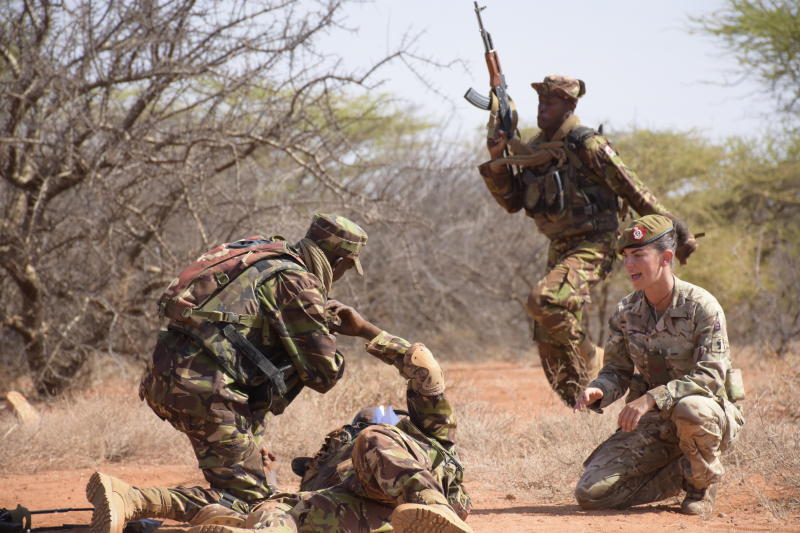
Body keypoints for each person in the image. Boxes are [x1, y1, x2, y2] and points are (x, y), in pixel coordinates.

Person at [87, 214, 370, 533]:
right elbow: (324, 374)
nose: (344, 274)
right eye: (347, 267)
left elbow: (251, 360)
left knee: (243, 487)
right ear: (341, 259)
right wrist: (357, 329)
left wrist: (252, 438)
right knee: (253, 503)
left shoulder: (262, 258)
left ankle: (149, 509)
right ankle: (134, 499)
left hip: (167, 381)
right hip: (207, 391)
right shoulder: (298, 281)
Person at [478, 74, 697, 407]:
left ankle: (596, 360)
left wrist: (677, 233)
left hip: (597, 242)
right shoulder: (536, 149)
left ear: (569, 105)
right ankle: (580, 403)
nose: (542, 109)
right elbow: (512, 201)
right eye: (539, 102)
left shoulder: (587, 144)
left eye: (550, 103)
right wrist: (496, 155)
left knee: (545, 301)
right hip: (561, 246)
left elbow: (633, 189)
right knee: (546, 332)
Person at [573, 215, 744, 515]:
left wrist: (651, 398)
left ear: (666, 257)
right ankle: (683, 470)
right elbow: (617, 371)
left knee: (690, 409)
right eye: (626, 256)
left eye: (638, 255)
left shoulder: (702, 307)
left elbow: (710, 375)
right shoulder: (627, 311)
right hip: (656, 422)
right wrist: (598, 390)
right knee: (591, 494)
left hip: (706, 414)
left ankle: (701, 487)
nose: (629, 264)